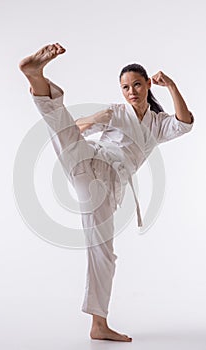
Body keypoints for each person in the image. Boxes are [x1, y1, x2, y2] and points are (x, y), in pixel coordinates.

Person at [19, 43, 194, 342]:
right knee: (64, 131)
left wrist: (174, 86)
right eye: (125, 87)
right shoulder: (117, 111)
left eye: (137, 85)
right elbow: (85, 123)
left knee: (103, 253)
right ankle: (35, 75)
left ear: (149, 84)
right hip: (90, 158)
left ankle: (98, 325)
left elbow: (185, 123)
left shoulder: (158, 124)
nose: (131, 92)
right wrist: (82, 127)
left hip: (105, 186)